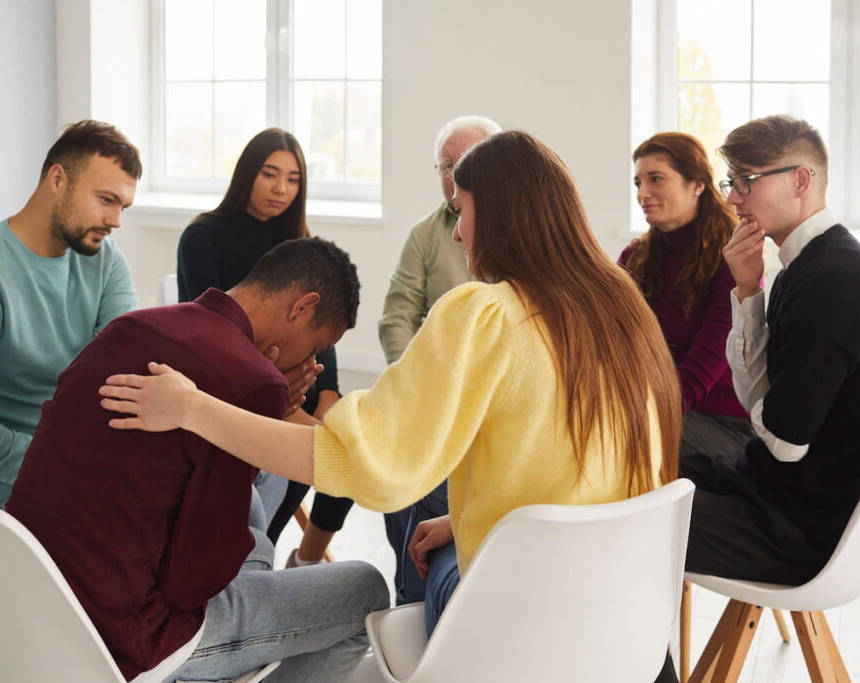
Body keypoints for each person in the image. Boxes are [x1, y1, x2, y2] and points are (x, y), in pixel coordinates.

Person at [99, 131, 683, 640]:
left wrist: (193, 408)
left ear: (500, 215)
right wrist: (461, 521)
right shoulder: (622, 311)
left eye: (461, 211)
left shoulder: (484, 315)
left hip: (515, 624)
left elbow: (364, 465)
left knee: (395, 566)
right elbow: (581, 468)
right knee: (436, 528)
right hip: (622, 619)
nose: (457, 235)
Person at [7, 238, 388, 683]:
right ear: (302, 307)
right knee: (367, 592)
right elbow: (190, 584)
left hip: (32, 601)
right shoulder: (252, 381)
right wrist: (267, 389)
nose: (312, 360)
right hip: (131, 637)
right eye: (318, 345)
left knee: (253, 524)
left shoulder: (131, 327)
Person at [683, 115, 860, 586]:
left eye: (746, 181)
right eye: (733, 181)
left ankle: (651, 663)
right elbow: (763, 406)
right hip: (772, 490)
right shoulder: (807, 266)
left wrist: (765, 414)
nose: (731, 198)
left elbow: (785, 442)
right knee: (630, 462)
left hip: (793, 529)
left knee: (618, 522)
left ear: (801, 180)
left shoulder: (831, 284)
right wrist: (749, 291)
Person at [0, 120, 140, 506]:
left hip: (98, 468)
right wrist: (61, 460)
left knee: (235, 504)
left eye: (123, 206)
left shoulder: (105, 261)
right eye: (106, 200)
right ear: (58, 180)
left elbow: (124, 375)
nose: (116, 221)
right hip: (35, 493)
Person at [176, 128, 351, 567]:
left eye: (293, 179)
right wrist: (290, 408)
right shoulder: (202, 237)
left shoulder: (300, 243)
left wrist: (327, 396)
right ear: (246, 175)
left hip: (301, 380)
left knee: (347, 446)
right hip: (242, 383)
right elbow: (207, 331)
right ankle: (258, 552)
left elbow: (321, 333)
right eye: (270, 174)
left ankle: (306, 559)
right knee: (305, 452)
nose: (281, 189)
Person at [378, 114, 501, 604]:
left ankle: (418, 597)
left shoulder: (513, 254)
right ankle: (410, 587)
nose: (455, 174)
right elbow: (396, 317)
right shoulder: (426, 234)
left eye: (466, 162)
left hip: (484, 403)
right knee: (397, 462)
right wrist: (419, 385)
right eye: (446, 165)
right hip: (435, 391)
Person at [620, 132, 754, 459]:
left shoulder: (733, 260)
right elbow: (608, 339)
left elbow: (699, 373)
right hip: (656, 405)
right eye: (638, 182)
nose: (643, 193)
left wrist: (634, 416)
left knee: (612, 436)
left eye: (656, 179)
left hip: (719, 423)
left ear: (696, 184)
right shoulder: (635, 256)